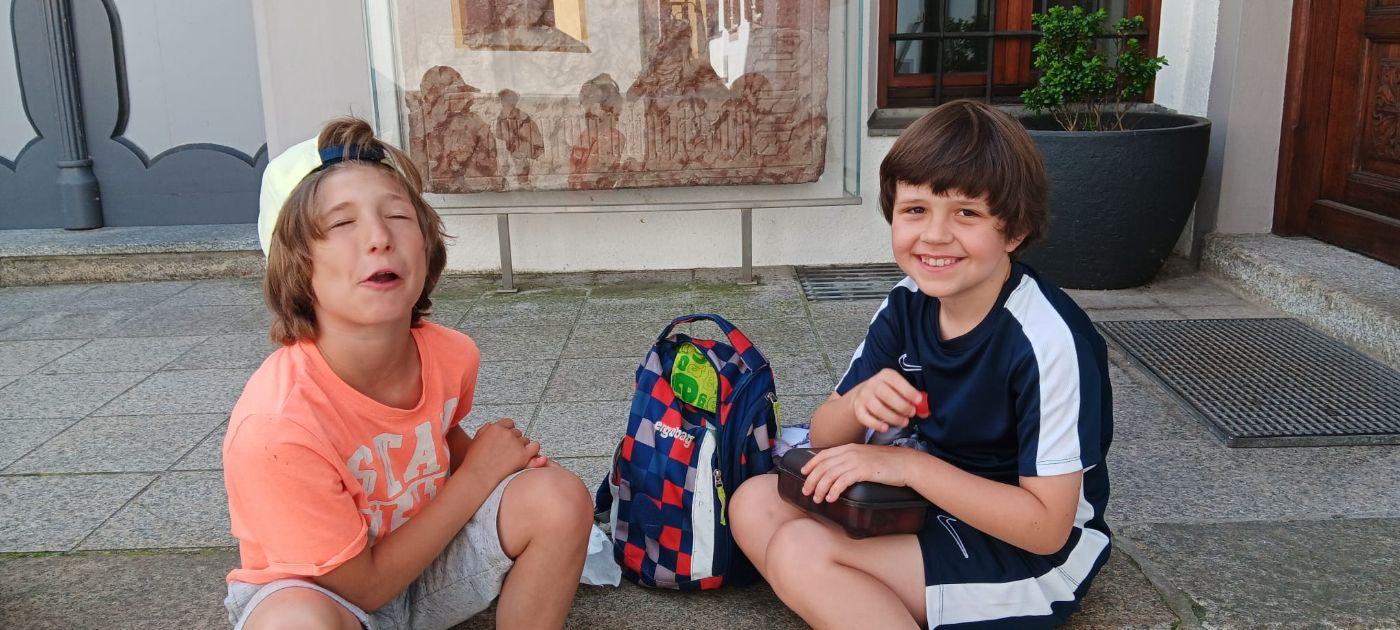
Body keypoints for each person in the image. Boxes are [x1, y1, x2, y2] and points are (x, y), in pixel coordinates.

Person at [729, 100, 1113, 628]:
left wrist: (908, 467)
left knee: (800, 551)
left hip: (1028, 553)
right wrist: (858, 404)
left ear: (1014, 231)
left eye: (967, 213)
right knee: (754, 502)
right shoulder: (908, 303)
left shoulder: (1047, 340)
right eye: (915, 210)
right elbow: (825, 438)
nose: (934, 235)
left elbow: (1046, 528)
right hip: (927, 504)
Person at [224, 117, 592, 629]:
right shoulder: (275, 426)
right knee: (294, 622)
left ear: (427, 246)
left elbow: (435, 436)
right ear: (295, 265)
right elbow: (365, 587)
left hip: (425, 567)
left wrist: (499, 463)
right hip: (332, 595)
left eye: (398, 215)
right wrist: (479, 474)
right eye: (341, 223)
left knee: (559, 497)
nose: (379, 237)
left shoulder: (451, 354)